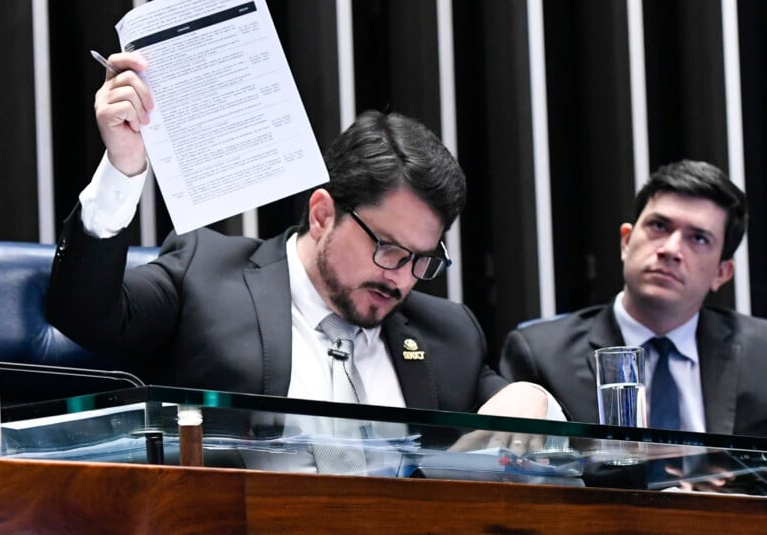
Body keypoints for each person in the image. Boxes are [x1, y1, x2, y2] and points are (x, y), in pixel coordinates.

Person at [45, 51, 557, 433]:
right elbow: (84, 313)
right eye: (388, 249)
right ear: (321, 214)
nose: (400, 278)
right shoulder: (207, 274)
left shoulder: (448, 336)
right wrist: (124, 166)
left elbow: (519, 416)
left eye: (422, 260)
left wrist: (532, 399)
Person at [499, 159, 767, 437]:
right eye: (659, 226)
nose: (670, 249)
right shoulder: (542, 355)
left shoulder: (760, 354)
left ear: (722, 273)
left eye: (698, 238)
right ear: (626, 242)